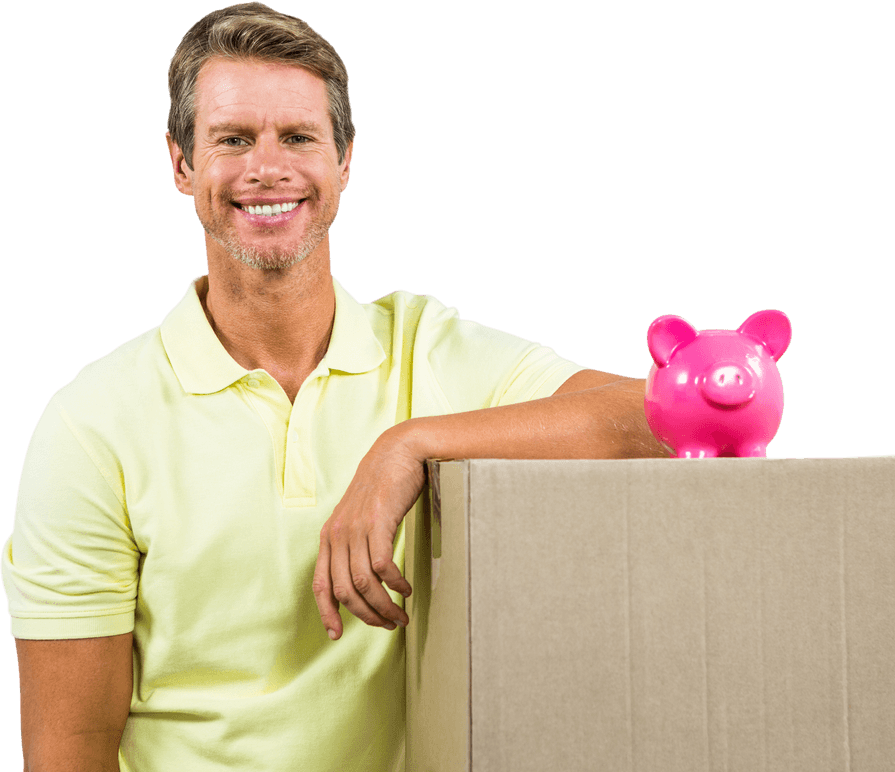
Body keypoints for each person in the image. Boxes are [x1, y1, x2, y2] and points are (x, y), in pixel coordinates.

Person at [1, 3, 667, 771]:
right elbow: (70, 748)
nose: (267, 167)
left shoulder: (429, 350)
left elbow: (660, 421)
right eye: (232, 140)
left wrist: (408, 447)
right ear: (182, 164)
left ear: (345, 159)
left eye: (298, 137)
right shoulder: (92, 423)